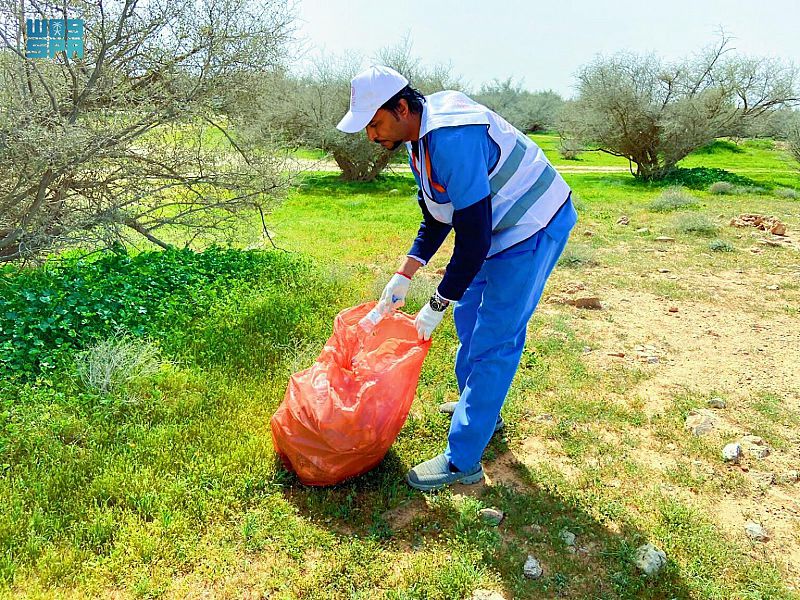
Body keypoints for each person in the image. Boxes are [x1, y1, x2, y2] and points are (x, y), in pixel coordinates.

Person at [337, 65, 577, 491]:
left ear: (403, 107)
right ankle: (482, 408)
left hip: (531, 224)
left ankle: (461, 459)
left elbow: (474, 238)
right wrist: (404, 276)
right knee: (469, 319)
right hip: (491, 227)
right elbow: (437, 219)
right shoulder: (417, 140)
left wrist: (437, 303)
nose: (371, 135)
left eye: (375, 123)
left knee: (494, 340)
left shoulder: (450, 139)